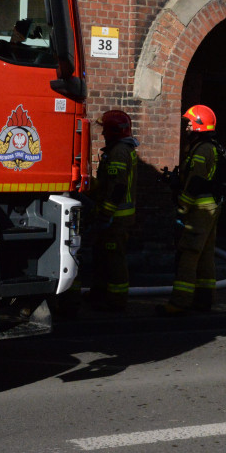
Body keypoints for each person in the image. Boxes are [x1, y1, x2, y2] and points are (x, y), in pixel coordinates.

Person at [157, 105, 222, 316]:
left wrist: (182, 208)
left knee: (189, 253)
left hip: (199, 209)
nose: (186, 127)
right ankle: (204, 299)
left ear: (198, 125)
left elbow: (195, 182)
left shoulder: (202, 149)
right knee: (204, 254)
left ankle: (180, 302)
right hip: (208, 207)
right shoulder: (204, 146)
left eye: (189, 123)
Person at [88, 109, 139, 311]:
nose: (103, 134)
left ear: (115, 131)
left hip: (117, 218)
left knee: (114, 258)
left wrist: (107, 213)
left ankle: (117, 301)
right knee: (101, 255)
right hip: (113, 216)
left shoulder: (119, 151)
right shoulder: (120, 149)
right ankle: (99, 294)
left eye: (106, 130)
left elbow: (117, 187)